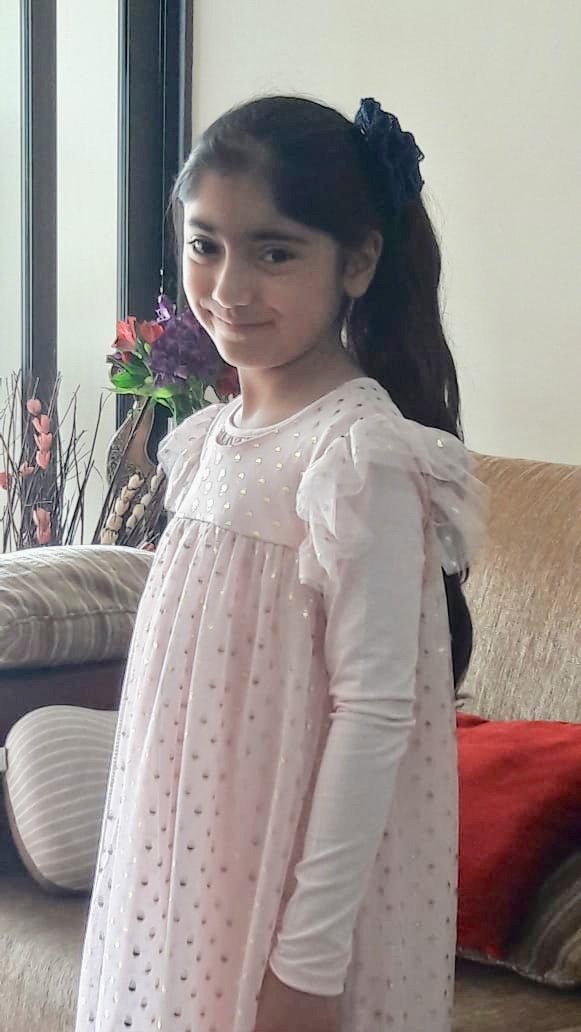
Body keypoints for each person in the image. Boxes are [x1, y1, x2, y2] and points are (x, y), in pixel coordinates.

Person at [75, 95, 485, 1032]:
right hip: (185, 870)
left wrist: (307, 960)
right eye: (205, 244)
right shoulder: (208, 440)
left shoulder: (358, 459)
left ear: (358, 263)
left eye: (274, 252)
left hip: (282, 902)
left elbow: (373, 716)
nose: (228, 287)